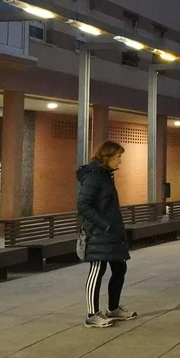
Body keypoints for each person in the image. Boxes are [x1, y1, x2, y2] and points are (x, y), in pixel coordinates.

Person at [76, 141, 137, 329]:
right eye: (118, 156)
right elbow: (83, 205)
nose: (120, 161)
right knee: (97, 270)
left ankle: (113, 309)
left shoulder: (105, 175)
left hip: (112, 233)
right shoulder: (93, 176)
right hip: (98, 234)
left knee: (119, 269)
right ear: (107, 156)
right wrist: (106, 224)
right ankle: (92, 315)